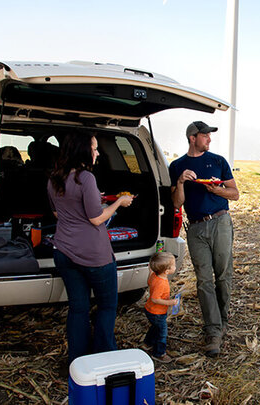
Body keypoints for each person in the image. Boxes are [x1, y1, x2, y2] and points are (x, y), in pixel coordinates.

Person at [48, 133, 134, 364]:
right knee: (107, 305)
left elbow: (58, 213)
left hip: (63, 251)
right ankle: (104, 358)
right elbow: (96, 219)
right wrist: (118, 203)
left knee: (78, 308)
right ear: (82, 151)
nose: (97, 153)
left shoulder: (55, 178)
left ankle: (78, 361)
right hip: (94, 255)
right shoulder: (86, 178)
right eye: (94, 148)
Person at [169, 121, 239, 357]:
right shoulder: (177, 166)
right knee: (203, 281)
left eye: (209, 136)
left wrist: (218, 190)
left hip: (220, 222)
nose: (209, 139)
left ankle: (222, 320)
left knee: (223, 275)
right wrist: (180, 182)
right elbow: (177, 203)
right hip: (196, 228)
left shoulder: (218, 161)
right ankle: (212, 331)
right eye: (205, 135)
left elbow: (235, 194)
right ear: (192, 137)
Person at [143, 252, 179, 363]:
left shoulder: (154, 276)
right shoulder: (161, 283)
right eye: (174, 265)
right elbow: (155, 299)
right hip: (157, 312)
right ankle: (159, 354)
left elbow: (149, 282)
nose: (175, 266)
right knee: (162, 333)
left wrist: (150, 271)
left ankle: (147, 344)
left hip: (150, 310)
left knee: (155, 327)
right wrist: (170, 302)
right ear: (167, 271)